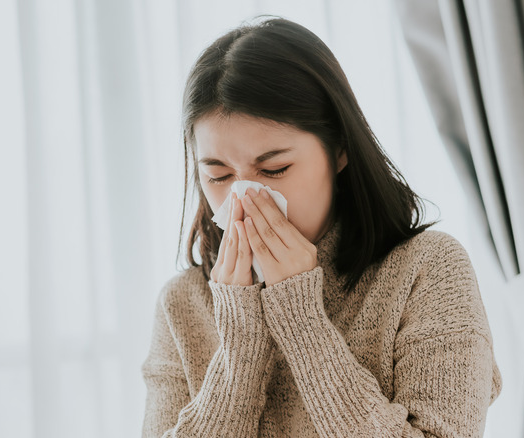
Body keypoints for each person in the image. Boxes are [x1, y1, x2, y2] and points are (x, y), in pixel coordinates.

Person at [141, 16, 502, 438]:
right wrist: (239, 343)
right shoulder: (182, 303)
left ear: (339, 150)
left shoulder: (428, 271)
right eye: (219, 176)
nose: (245, 200)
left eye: (274, 169)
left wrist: (301, 320)